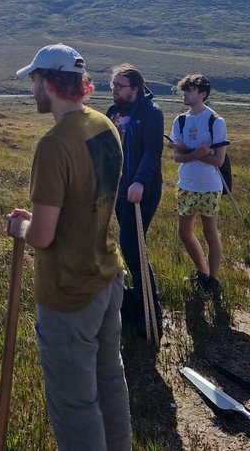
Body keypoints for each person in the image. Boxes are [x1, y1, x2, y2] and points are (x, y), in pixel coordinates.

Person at [6, 44, 131, 451]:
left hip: (69, 292)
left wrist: (20, 226)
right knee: (110, 380)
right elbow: (89, 200)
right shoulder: (104, 124)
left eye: (34, 81)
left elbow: (42, 236)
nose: (32, 91)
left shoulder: (55, 144)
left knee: (74, 404)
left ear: (49, 82)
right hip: (108, 275)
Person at [105, 63, 164, 333]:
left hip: (142, 191)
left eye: (120, 86)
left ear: (136, 88)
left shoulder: (151, 112)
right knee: (130, 245)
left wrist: (140, 180)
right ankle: (139, 303)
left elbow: (153, 150)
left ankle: (152, 313)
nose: (115, 90)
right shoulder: (113, 112)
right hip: (119, 190)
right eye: (113, 85)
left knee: (133, 246)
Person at [170, 74, 229, 304]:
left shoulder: (216, 121)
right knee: (184, 233)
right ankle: (202, 273)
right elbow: (176, 157)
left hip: (208, 187)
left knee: (209, 232)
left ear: (203, 94)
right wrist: (198, 152)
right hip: (186, 184)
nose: (185, 94)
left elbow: (219, 161)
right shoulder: (180, 121)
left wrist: (188, 152)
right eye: (184, 90)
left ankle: (213, 280)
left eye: (190, 90)